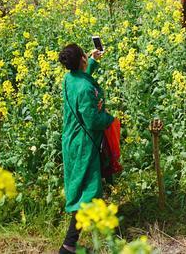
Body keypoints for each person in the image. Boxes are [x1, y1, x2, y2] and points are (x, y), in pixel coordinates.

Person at [58, 44, 114, 254]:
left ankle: (110, 229)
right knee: (87, 191)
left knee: (90, 186)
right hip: (84, 144)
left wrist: (92, 61)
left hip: (72, 141)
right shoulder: (84, 88)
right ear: (81, 58)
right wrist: (111, 120)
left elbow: (81, 82)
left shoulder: (69, 79)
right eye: (85, 55)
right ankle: (68, 245)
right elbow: (92, 120)